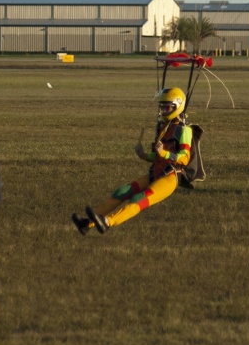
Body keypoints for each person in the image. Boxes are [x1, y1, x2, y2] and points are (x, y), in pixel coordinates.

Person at [72, 87, 192, 235]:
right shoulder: (164, 127)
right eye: (161, 107)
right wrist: (144, 155)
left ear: (176, 106)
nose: (163, 111)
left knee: (138, 198)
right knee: (122, 191)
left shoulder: (184, 130)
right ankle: (87, 223)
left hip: (170, 177)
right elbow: (157, 157)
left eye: (166, 107)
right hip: (156, 172)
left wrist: (165, 153)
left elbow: (184, 158)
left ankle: (108, 221)